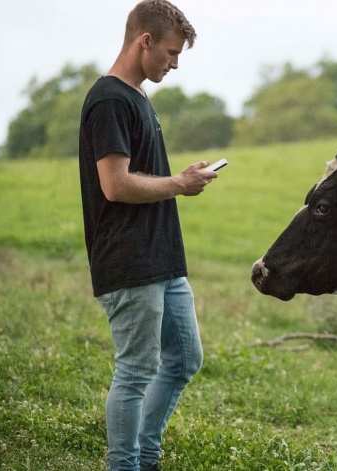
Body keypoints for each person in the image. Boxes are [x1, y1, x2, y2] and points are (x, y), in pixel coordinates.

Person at [77, 1, 215, 469]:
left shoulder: (137, 97)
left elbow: (141, 175)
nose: (174, 64)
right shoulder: (110, 100)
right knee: (136, 370)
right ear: (145, 42)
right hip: (130, 262)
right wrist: (179, 183)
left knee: (183, 360)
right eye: (171, 53)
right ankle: (125, 464)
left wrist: (180, 177)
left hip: (163, 259)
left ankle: (147, 455)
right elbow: (114, 185)